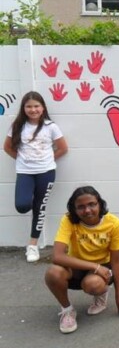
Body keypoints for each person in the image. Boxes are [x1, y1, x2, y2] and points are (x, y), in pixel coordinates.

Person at [44, 186, 119, 334]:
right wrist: (94, 266)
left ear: (100, 204)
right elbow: (57, 256)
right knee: (53, 273)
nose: (87, 210)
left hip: (103, 268)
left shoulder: (114, 224)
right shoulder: (68, 220)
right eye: (81, 207)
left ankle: (101, 294)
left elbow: (116, 262)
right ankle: (67, 310)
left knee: (93, 285)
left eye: (92, 204)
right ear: (74, 209)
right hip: (77, 265)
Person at [3, 91, 68, 262]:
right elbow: (7, 147)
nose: (33, 110)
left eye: (36, 106)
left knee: (40, 208)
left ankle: (32, 245)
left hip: (46, 173)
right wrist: (22, 159)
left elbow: (63, 148)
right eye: (29, 106)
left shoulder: (50, 126)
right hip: (25, 172)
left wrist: (48, 160)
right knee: (22, 205)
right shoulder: (17, 126)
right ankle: (33, 199)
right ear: (23, 108)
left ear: (43, 107)